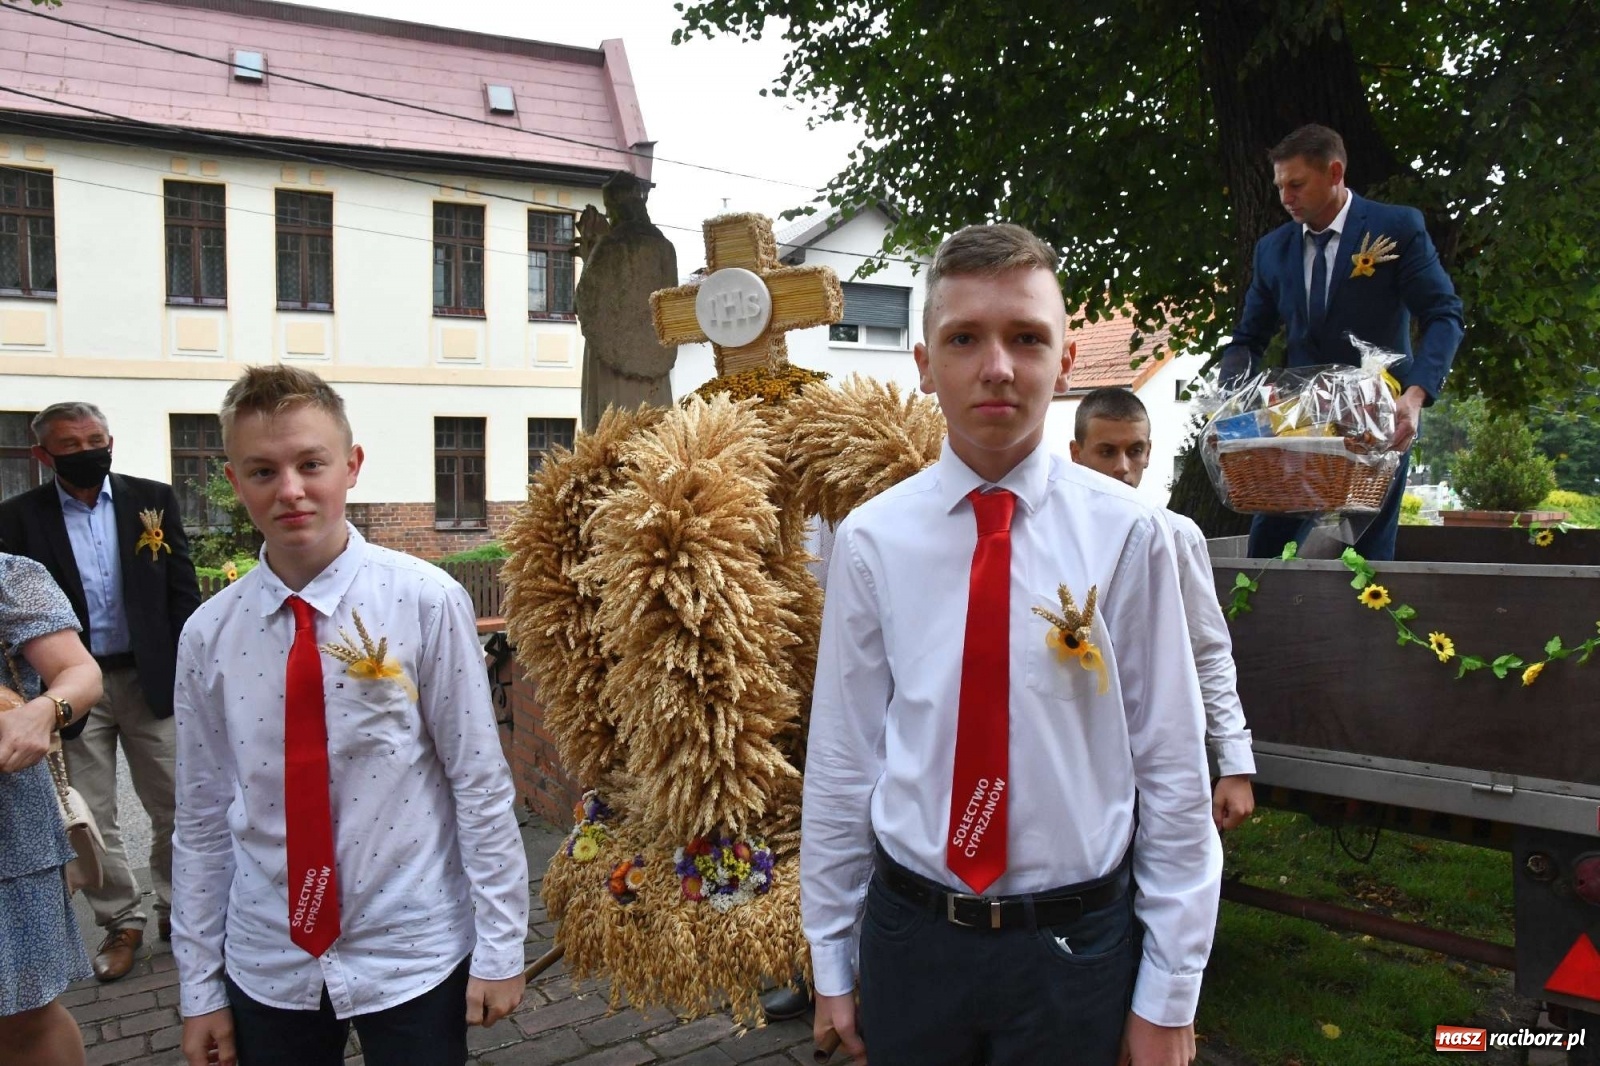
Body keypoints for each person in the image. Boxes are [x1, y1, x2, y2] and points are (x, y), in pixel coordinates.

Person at [803, 223, 1222, 1066]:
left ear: (1066, 362)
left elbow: (1172, 765)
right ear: (925, 364)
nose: (996, 366)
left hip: (1074, 948)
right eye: (964, 338)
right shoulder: (872, 540)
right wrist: (832, 957)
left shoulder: (1131, 537)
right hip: (914, 939)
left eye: (1027, 338)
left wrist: (1170, 991)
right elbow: (845, 758)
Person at [172, 366, 528, 1066]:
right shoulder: (207, 636)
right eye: (263, 471)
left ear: (352, 465)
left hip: (411, 944)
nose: (291, 490)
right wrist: (200, 989)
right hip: (270, 955)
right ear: (235, 481)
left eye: (311, 464)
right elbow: (202, 818)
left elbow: (478, 780)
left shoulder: (425, 601)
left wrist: (501, 945)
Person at [0, 402, 201, 981]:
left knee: (176, 801)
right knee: (94, 811)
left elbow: (181, 589)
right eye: (71, 444)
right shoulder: (18, 518)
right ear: (43, 455)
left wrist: (189, 666)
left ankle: (180, 910)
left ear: (110, 442)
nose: (88, 451)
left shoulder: (152, 499)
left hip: (151, 677)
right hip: (69, 687)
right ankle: (121, 921)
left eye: (96, 440)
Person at [1218, 123, 1464, 562]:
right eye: (1279, 187)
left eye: (1296, 184)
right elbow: (1247, 339)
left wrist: (1415, 396)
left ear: (1334, 173)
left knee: (1369, 562)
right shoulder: (1272, 250)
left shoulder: (1396, 227)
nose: (1285, 198)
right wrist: (1227, 405)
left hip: (1379, 420)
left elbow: (1444, 315)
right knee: (1266, 553)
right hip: (1298, 427)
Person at [1069, 387, 1256, 831]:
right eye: (1107, 451)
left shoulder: (1176, 536)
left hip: (1152, 751)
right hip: (1070, 749)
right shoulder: (1053, 535)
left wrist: (1234, 763)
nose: (1122, 467)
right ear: (1076, 454)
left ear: (1150, 452)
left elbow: (1208, 651)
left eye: (1134, 451)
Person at [0, 550, 105, 1066]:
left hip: (9, 832)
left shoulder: (9, 576)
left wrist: (44, 710)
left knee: (23, 1012)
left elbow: (79, 672)